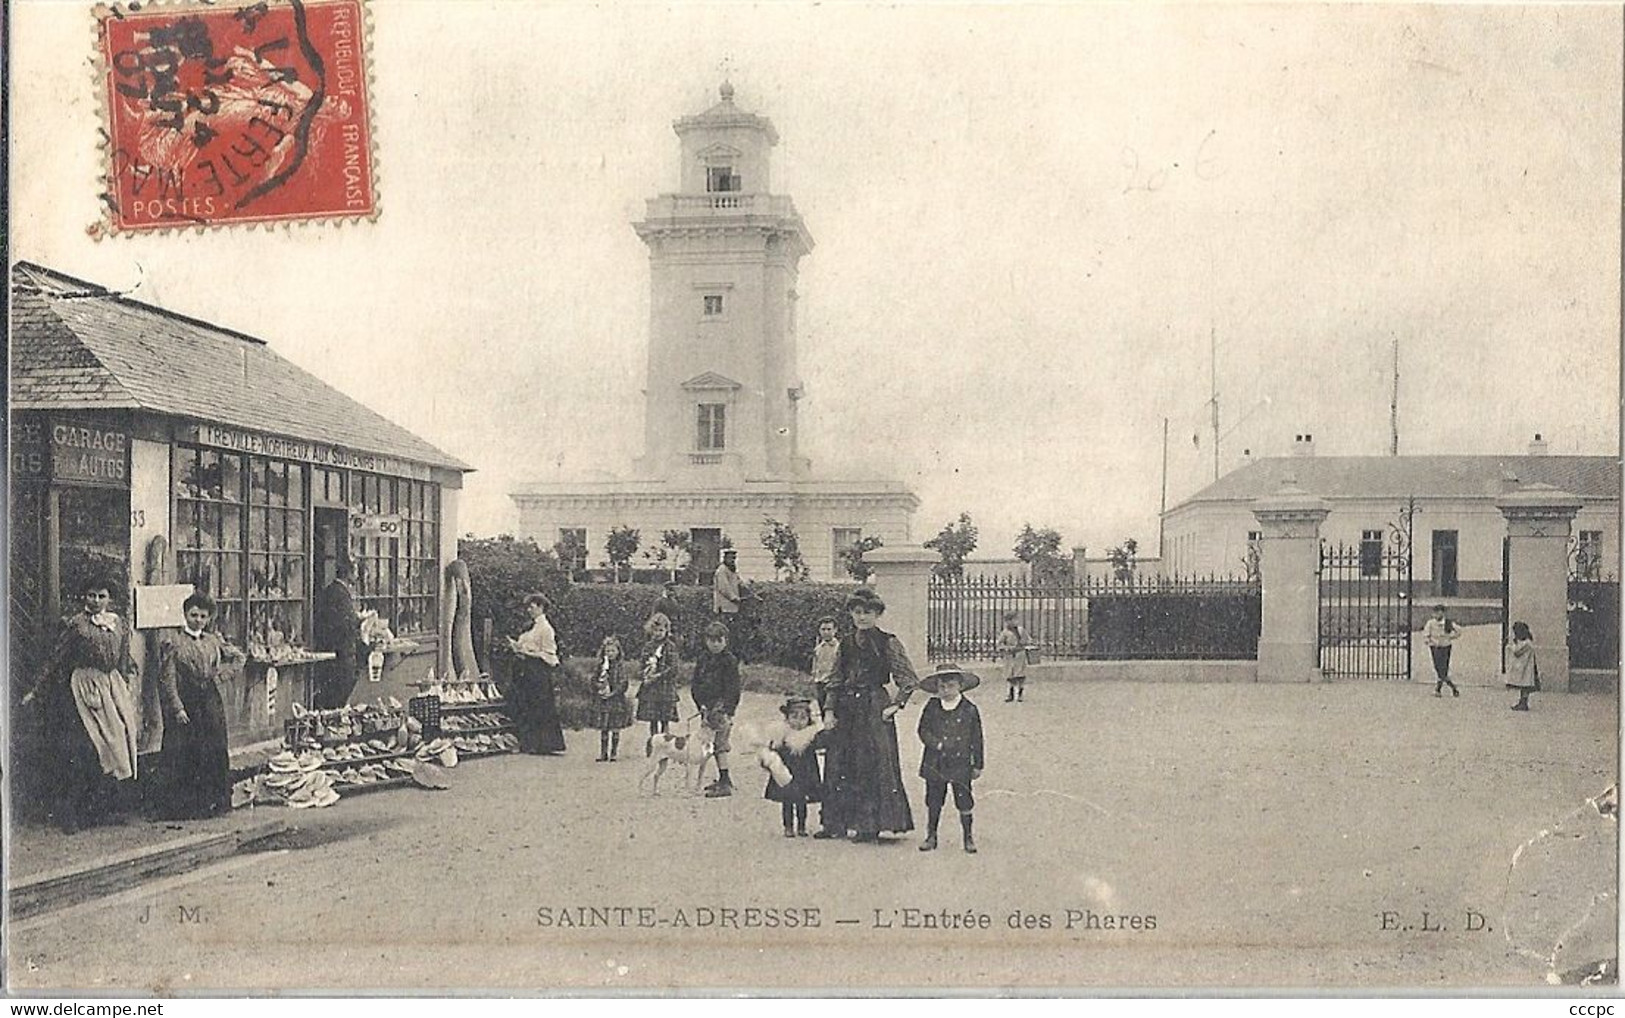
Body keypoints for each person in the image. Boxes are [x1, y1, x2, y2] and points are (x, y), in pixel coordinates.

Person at [22, 576, 142, 832]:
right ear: (83, 598)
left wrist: (127, 677)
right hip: (85, 687)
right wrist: (35, 689)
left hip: (111, 686)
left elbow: (122, 656)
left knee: (118, 740)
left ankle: (104, 809)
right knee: (87, 749)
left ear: (110, 599)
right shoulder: (76, 625)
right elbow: (56, 658)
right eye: (91, 596)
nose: (96, 601)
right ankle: (72, 815)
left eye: (101, 596)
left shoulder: (118, 623)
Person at [819, 586, 918, 843]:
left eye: (868, 612)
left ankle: (870, 825)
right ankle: (837, 823)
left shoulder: (888, 642)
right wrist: (829, 709)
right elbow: (835, 678)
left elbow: (907, 679)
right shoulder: (847, 644)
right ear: (851, 614)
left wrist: (896, 705)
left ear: (877, 614)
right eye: (857, 612)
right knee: (839, 761)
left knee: (871, 763)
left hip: (874, 707)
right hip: (847, 707)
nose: (862, 617)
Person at [156, 592, 246, 819]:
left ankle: (213, 802)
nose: (197, 620)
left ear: (208, 619)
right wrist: (177, 707)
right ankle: (184, 807)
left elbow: (239, 658)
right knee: (184, 750)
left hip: (209, 698)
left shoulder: (213, 640)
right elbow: (168, 678)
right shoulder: (174, 642)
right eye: (193, 615)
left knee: (213, 747)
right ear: (185, 615)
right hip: (187, 698)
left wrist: (222, 675)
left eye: (202, 616)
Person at [916, 663, 986, 854]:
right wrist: (935, 744)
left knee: (964, 799)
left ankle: (968, 837)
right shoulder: (931, 706)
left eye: (950, 686)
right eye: (941, 686)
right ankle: (931, 835)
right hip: (935, 761)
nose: (945, 690)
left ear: (960, 686)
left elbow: (977, 738)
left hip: (960, 762)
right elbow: (923, 729)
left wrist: (978, 764)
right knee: (934, 799)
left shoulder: (969, 709)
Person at [505, 593, 566, 754]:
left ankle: (544, 744)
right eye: (528, 607)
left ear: (541, 607)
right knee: (527, 705)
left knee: (540, 705)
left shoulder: (546, 629)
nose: (529, 610)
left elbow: (549, 654)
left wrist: (527, 651)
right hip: (526, 669)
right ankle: (530, 743)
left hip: (538, 670)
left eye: (532, 607)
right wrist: (517, 647)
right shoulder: (532, 626)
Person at [691, 621, 742, 798]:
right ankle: (721, 778)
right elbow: (696, 683)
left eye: (719, 640)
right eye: (711, 640)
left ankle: (725, 781)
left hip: (721, 709)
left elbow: (733, 688)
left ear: (725, 641)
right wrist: (701, 704)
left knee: (720, 744)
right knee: (709, 744)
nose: (715, 644)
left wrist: (727, 710)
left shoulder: (729, 661)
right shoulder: (703, 659)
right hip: (706, 708)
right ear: (706, 641)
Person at [762, 696, 826, 837]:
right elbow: (773, 755)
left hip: (805, 774)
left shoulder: (810, 736)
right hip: (786, 774)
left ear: (809, 719)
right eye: (794, 717)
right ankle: (788, 826)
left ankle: (802, 826)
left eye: (803, 718)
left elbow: (821, 745)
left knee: (802, 801)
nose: (798, 722)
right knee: (787, 800)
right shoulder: (782, 736)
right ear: (787, 718)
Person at [312, 558, 361, 710]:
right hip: (340, 652)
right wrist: (359, 621)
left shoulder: (331, 590)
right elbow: (345, 624)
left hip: (332, 650)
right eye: (356, 571)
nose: (358, 576)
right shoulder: (340, 594)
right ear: (348, 573)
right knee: (338, 694)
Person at [635, 612, 681, 738]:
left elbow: (674, 667)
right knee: (653, 720)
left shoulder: (670, 647)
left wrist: (659, 675)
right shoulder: (648, 647)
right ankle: (654, 744)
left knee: (665, 720)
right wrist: (644, 675)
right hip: (651, 689)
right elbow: (642, 665)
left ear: (667, 630)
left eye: (661, 630)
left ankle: (665, 746)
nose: (658, 633)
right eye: (655, 630)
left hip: (665, 688)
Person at [592, 635, 633, 762]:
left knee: (615, 727)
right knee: (604, 727)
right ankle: (603, 753)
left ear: (618, 652)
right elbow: (593, 679)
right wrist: (599, 687)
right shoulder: (601, 665)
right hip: (603, 700)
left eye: (613, 651)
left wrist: (613, 693)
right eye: (607, 651)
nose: (610, 653)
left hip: (616, 700)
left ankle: (613, 752)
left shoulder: (620, 666)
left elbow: (623, 683)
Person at [1422, 604, 1462, 697]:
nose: (1438, 615)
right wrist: (1429, 641)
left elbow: (1459, 631)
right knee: (1438, 667)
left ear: (1443, 614)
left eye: (1440, 613)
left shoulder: (1448, 623)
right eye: (1436, 613)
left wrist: (1451, 637)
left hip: (1446, 647)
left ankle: (1439, 689)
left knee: (1443, 667)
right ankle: (1452, 687)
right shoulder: (1431, 623)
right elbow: (1426, 634)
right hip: (1435, 647)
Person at [713, 549, 746, 654]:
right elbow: (724, 588)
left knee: (732, 632)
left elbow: (739, 583)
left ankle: (731, 653)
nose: (732, 560)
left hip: (733, 608)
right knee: (724, 632)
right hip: (724, 607)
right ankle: (723, 652)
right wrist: (734, 598)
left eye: (734, 558)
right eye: (730, 558)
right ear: (725, 558)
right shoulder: (722, 570)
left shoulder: (732, 570)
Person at [1506, 621, 1539, 712]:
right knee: (1524, 685)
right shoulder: (1527, 642)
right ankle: (1522, 702)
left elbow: (1517, 652)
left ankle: (1523, 703)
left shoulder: (1526, 643)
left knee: (1525, 685)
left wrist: (1512, 645)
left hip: (1527, 668)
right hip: (1526, 667)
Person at [997, 612, 1030, 703]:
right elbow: (1000, 644)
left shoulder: (1021, 630)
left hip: (1020, 655)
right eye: (1010, 620)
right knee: (1010, 675)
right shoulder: (1005, 632)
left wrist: (1024, 644)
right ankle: (1010, 693)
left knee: (1020, 675)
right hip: (1010, 656)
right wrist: (1006, 648)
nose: (1013, 622)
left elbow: (1028, 640)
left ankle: (1020, 694)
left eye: (1015, 620)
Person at [810, 616, 841, 715]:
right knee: (823, 711)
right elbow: (815, 665)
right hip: (820, 684)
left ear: (835, 630)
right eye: (823, 629)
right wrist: (815, 677)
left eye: (829, 629)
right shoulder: (818, 648)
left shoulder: (839, 648)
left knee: (833, 713)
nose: (826, 632)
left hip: (833, 685)